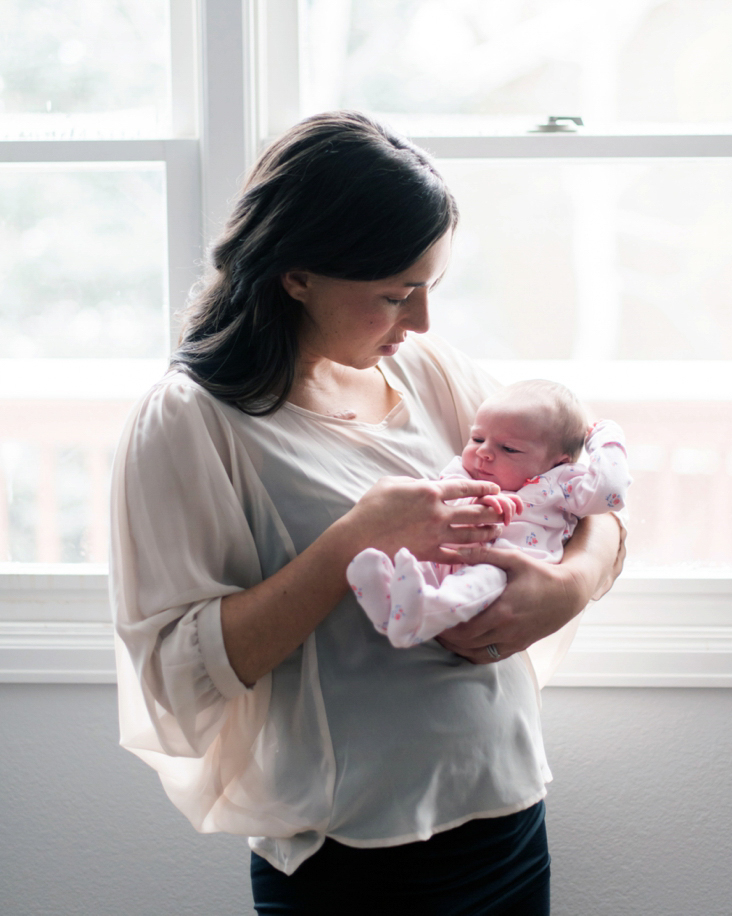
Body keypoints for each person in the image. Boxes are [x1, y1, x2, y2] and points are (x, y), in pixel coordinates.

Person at [109, 110, 626, 915]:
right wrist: (352, 541)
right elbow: (176, 671)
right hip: (350, 856)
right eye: (395, 294)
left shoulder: (429, 370)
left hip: (508, 811)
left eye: (429, 287)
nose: (420, 321)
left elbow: (591, 482)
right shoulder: (193, 421)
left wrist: (575, 582)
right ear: (297, 274)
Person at [347, 380, 630, 649]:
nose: (483, 452)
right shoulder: (462, 473)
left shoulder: (561, 484)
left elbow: (611, 492)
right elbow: (429, 508)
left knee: (481, 581)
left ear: (558, 462)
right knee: (415, 561)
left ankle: (421, 617)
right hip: (447, 557)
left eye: (508, 448)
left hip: (505, 571)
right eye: (477, 438)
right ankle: (388, 608)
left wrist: (607, 440)